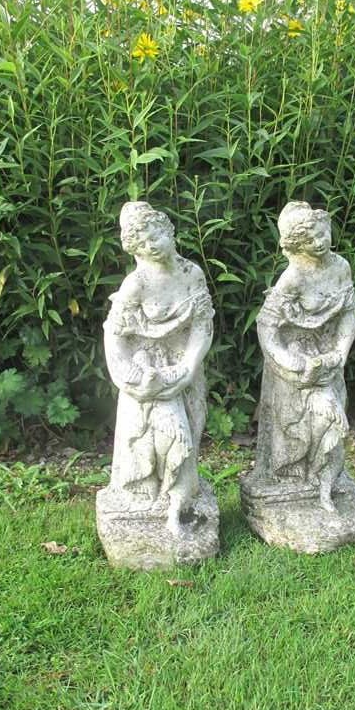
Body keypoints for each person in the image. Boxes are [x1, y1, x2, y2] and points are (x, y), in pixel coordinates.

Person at [103, 202, 214, 535]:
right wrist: (131, 379)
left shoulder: (191, 274)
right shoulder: (135, 284)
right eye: (142, 243)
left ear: (169, 231)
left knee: (189, 432)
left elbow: (202, 325)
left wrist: (189, 367)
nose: (151, 246)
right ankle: (151, 495)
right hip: (146, 372)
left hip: (185, 367)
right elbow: (115, 336)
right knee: (154, 436)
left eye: (155, 237)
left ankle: (182, 497)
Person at [255, 201, 355, 511]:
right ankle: (293, 484)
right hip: (295, 361)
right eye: (310, 239)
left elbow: (349, 314)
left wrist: (340, 352)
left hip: (328, 357)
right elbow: (266, 325)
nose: (320, 241)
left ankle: (324, 482)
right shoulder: (294, 277)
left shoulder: (340, 267)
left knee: (331, 423)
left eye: (323, 233)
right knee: (296, 429)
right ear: (297, 244)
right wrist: (287, 362)